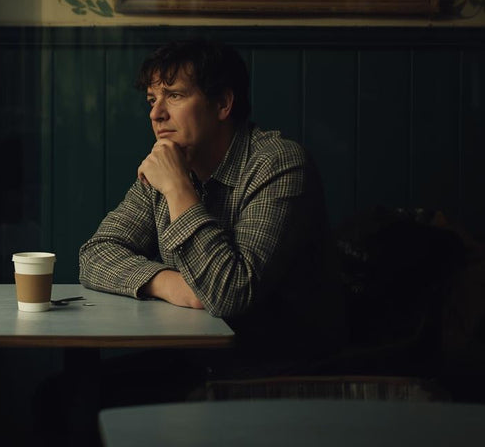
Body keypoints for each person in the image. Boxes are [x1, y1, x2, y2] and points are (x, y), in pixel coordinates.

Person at [79, 37, 346, 364]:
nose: (156, 113)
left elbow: (229, 295)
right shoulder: (169, 163)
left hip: (277, 367)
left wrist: (178, 189)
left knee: (77, 397)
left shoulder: (279, 164)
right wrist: (172, 285)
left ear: (222, 103)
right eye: (152, 99)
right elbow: (96, 253)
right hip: (197, 355)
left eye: (174, 96)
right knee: (68, 393)